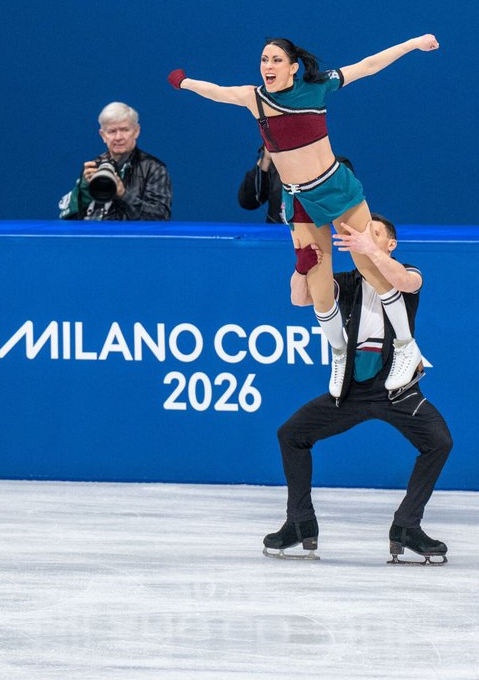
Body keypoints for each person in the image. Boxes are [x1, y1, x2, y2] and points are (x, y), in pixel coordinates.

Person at [169, 35, 439, 398]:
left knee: (368, 268)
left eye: (276, 60)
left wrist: (414, 44)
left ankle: (407, 347)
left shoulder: (317, 87)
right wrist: (185, 82)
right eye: (264, 59)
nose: (268, 66)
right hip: (301, 203)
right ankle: (339, 352)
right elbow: (217, 91)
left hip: (337, 190)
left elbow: (369, 64)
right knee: (318, 285)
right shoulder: (255, 98)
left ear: (293, 67)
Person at [263, 214, 453, 564]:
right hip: (350, 390)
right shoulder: (348, 281)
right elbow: (300, 299)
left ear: (390, 244)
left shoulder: (406, 272)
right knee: (291, 434)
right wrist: (302, 268)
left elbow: (406, 283)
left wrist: (370, 252)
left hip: (395, 389)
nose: (367, 236)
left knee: (439, 442)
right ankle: (300, 523)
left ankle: (406, 527)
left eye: (375, 233)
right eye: (366, 232)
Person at [58, 102, 172, 221]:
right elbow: (69, 220)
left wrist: (124, 194)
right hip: (95, 236)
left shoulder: (153, 169)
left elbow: (161, 218)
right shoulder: (93, 167)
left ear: (136, 131)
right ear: (103, 135)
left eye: (124, 130)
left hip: (132, 238)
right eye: (112, 131)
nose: (118, 137)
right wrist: (84, 192)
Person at [238, 147, 353, 224]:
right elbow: (248, 202)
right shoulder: (276, 165)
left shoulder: (337, 166)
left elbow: (340, 201)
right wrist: (266, 160)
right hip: (278, 242)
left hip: (319, 242)